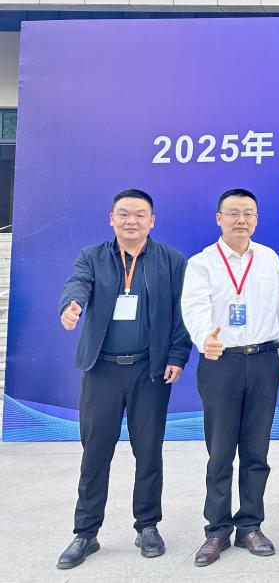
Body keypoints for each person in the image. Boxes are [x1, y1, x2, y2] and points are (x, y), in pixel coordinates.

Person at [56, 189, 192, 570]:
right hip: (102, 370)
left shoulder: (170, 260)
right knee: (95, 452)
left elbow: (183, 312)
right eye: (124, 214)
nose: (131, 221)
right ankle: (86, 533)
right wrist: (71, 305)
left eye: (139, 214)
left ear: (152, 221)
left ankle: (147, 526)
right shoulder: (92, 257)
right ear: (111, 219)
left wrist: (177, 356)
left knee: (148, 451)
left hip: (150, 370)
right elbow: (77, 283)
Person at [181, 189, 279, 567]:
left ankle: (250, 525)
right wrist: (204, 339)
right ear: (219, 218)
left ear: (256, 220)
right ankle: (216, 530)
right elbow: (194, 308)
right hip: (221, 362)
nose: (241, 219)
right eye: (233, 213)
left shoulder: (268, 258)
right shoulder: (202, 263)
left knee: (256, 450)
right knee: (220, 451)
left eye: (248, 213)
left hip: (263, 360)